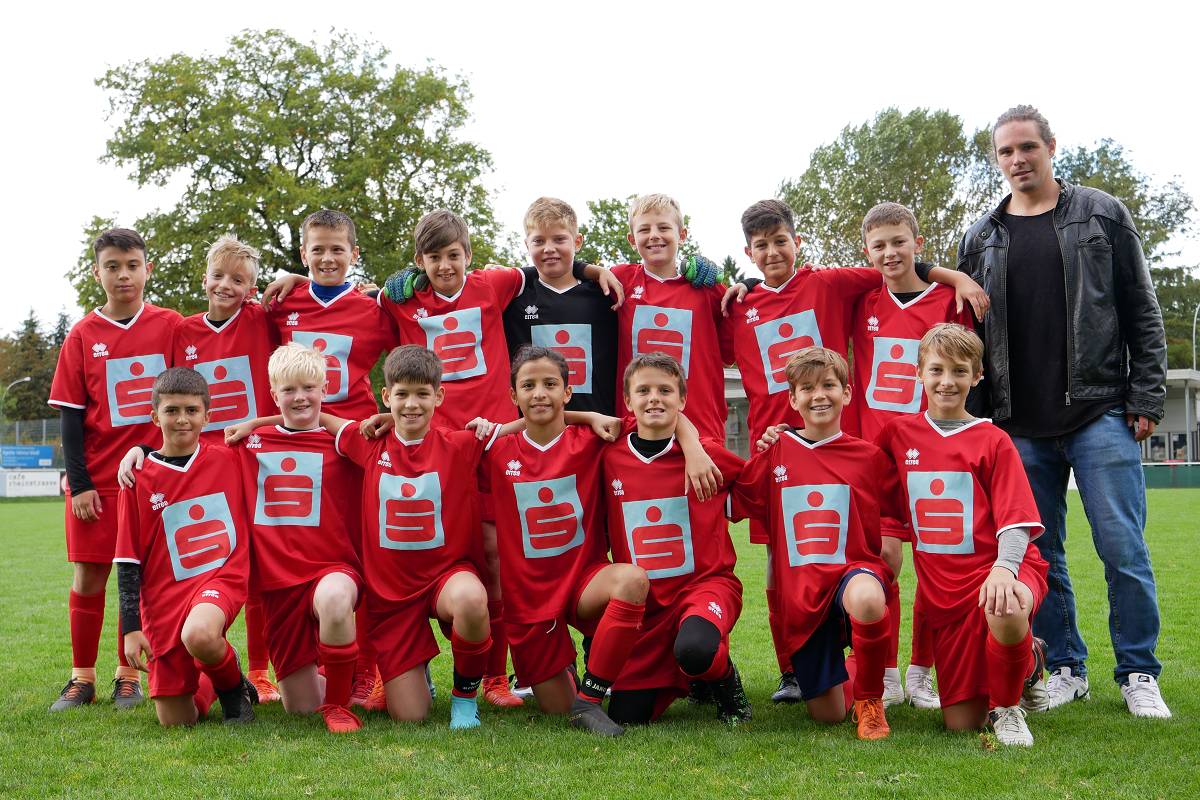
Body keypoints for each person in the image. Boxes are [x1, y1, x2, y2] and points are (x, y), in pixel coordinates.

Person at [723, 199, 987, 704]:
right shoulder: (738, 304)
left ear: (798, 242)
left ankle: (910, 672)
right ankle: (804, 671)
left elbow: (898, 269)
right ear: (748, 252)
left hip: (879, 452)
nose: (773, 252)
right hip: (785, 451)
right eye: (761, 246)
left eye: (781, 241)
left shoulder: (835, 285)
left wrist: (953, 275)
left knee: (915, 558)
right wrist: (736, 285)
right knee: (788, 564)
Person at [954, 105, 1170, 718]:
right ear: (996, 160)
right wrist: (977, 419)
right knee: (1038, 556)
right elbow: (968, 337)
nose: (1017, 159)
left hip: (1099, 412)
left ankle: (1138, 672)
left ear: (1051, 147)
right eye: (1005, 151)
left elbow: (1141, 308)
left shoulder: (1101, 215)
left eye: (1027, 147)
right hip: (1017, 425)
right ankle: (1067, 667)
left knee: (1123, 548)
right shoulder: (980, 237)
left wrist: (1146, 396)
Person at [876, 324, 1048, 746]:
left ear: (977, 376)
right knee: (961, 722)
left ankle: (1008, 709)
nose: (947, 381)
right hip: (945, 592)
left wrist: (1005, 569)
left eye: (959, 371)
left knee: (1005, 604)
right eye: (936, 370)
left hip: (1000, 567)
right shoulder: (897, 435)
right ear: (919, 373)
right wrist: (788, 437)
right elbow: (853, 466)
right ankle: (1030, 658)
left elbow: (1017, 520)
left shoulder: (994, 440)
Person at [261, 209, 397, 711]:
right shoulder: (282, 304)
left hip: (352, 448)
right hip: (294, 447)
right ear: (303, 254)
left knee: (364, 558)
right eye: (317, 249)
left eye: (337, 248)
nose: (327, 257)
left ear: (354, 253)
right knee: (286, 552)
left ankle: (366, 672)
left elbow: (408, 356)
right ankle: (288, 668)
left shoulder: (374, 308)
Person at [847, 202, 977, 710]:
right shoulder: (861, 300)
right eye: (878, 245)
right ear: (867, 252)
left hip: (937, 452)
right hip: (878, 456)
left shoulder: (949, 300)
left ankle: (922, 671)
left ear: (917, 244)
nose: (890, 253)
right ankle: (887, 673)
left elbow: (966, 368)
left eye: (899, 242)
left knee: (937, 565)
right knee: (885, 560)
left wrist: (953, 276)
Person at [481, 346, 649, 736]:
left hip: (582, 582)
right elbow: (426, 436)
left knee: (632, 580)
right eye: (528, 386)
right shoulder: (493, 449)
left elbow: (660, 415)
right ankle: (565, 669)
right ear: (513, 395)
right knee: (556, 709)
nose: (539, 393)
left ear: (567, 392)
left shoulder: (593, 439)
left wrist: (692, 445)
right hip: (529, 600)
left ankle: (589, 698)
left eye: (550, 384)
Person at [47, 227, 181, 711]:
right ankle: (81, 677)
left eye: (132, 265)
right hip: (98, 482)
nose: (123, 275)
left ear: (148, 268)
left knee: (145, 579)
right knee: (89, 576)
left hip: (154, 479)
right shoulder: (83, 334)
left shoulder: (171, 326)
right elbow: (70, 417)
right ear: (97, 272)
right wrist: (80, 483)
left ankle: (128, 675)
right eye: (112, 266)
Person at [327, 345, 495, 730]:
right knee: (410, 716)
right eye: (402, 394)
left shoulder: (460, 444)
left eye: (422, 394)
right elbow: (318, 417)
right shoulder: (368, 442)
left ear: (439, 396)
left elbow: (533, 427)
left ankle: (465, 699)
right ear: (387, 396)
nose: (412, 404)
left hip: (446, 577)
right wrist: (254, 425)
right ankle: (416, 673)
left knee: (472, 599)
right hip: (393, 597)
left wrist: (589, 416)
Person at [733, 347, 897, 740]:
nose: (818, 395)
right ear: (793, 399)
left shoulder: (869, 457)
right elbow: (733, 497)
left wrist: (890, 557)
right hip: (802, 595)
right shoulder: (776, 452)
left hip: (852, 574)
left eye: (828, 385)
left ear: (847, 392)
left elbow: (899, 511)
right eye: (806, 388)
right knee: (828, 715)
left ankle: (871, 701)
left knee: (867, 598)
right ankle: (857, 665)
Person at [602, 353, 749, 726]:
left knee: (696, 648)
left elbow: (757, 486)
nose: (654, 398)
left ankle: (726, 683)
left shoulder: (707, 455)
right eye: (644, 391)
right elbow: (554, 424)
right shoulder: (607, 455)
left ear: (682, 400)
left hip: (704, 586)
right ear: (627, 401)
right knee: (628, 716)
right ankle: (693, 675)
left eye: (665, 390)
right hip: (648, 608)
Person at [169, 234, 281, 702]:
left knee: (257, 568)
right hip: (201, 468)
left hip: (255, 460)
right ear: (204, 279)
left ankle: (259, 671)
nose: (225, 286)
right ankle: (204, 658)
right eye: (218, 276)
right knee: (205, 562)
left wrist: (293, 278)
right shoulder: (182, 331)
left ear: (252, 288)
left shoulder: (262, 319)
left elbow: (307, 299)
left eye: (238, 280)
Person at [114, 368, 255, 726]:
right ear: (154, 416)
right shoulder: (136, 478)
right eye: (172, 410)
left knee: (199, 633)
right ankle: (216, 672)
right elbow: (128, 560)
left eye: (192, 410)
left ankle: (233, 690)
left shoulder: (229, 457)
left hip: (219, 578)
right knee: (177, 720)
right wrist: (131, 628)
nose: (182, 419)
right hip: (164, 598)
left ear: (207, 416)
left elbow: (292, 425)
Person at [501, 197, 621, 414]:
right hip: (534, 425)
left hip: (596, 424)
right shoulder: (513, 297)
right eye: (539, 241)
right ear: (527, 245)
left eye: (559, 239)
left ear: (577, 241)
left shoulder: (604, 294)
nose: (549, 248)